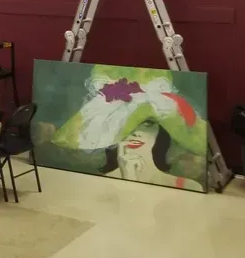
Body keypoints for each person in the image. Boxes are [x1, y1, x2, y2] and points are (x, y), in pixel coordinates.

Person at [52, 66, 207, 191]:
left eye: (147, 123)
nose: (134, 132)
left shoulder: (189, 186)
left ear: (160, 130)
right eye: (122, 122)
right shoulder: (97, 187)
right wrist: (128, 178)